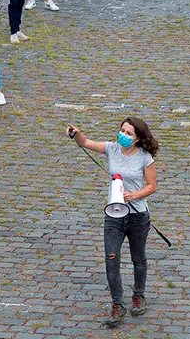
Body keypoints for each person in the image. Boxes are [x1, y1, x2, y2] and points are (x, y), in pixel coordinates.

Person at [67, 117, 158, 328]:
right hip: (114, 215)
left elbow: (152, 186)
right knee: (111, 258)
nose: (123, 136)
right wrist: (76, 134)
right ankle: (118, 304)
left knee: (138, 258)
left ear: (137, 139)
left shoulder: (145, 158)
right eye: (122, 131)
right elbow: (85, 143)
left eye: (129, 134)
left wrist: (133, 195)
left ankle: (138, 295)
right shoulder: (111, 148)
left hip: (137, 216)